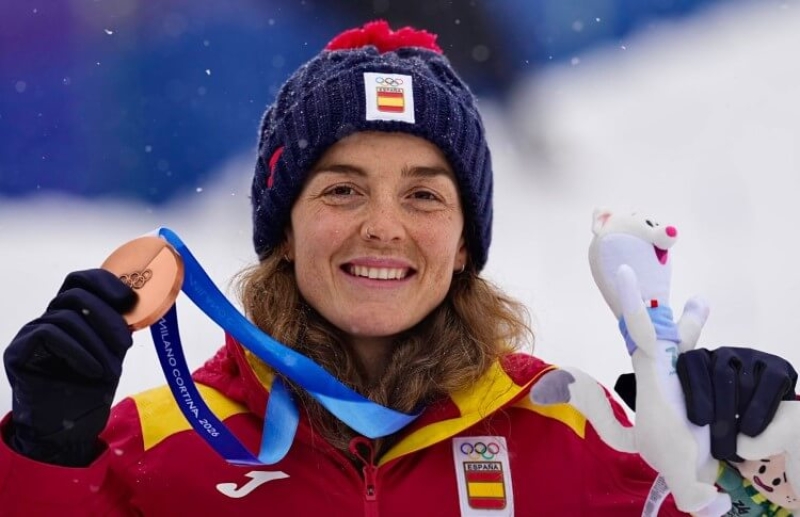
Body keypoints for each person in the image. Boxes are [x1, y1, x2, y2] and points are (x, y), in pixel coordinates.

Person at [0, 20, 797, 516]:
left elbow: (740, 505)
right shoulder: (147, 446)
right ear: (282, 231)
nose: (383, 227)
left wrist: (765, 460)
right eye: (342, 189)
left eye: (423, 194)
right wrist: (41, 457)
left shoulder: (581, 439)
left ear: (463, 246)